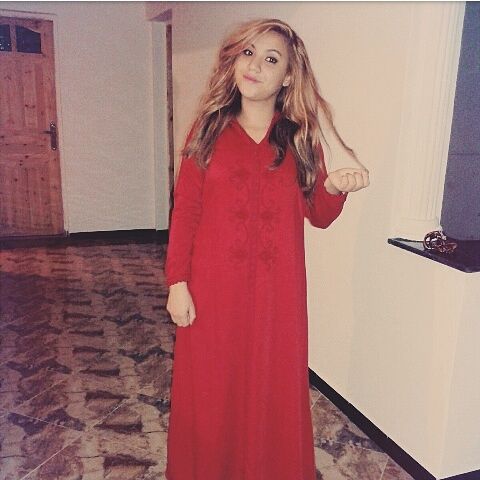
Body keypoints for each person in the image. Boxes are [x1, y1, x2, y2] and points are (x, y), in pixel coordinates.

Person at [164, 18, 369, 480]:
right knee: (212, 391)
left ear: (288, 76)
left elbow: (318, 213)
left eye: (271, 59)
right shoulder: (207, 130)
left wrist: (334, 187)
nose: (255, 65)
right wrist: (177, 282)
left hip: (278, 297)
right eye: (248, 53)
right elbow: (186, 211)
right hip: (212, 292)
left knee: (270, 391)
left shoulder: (299, 138)